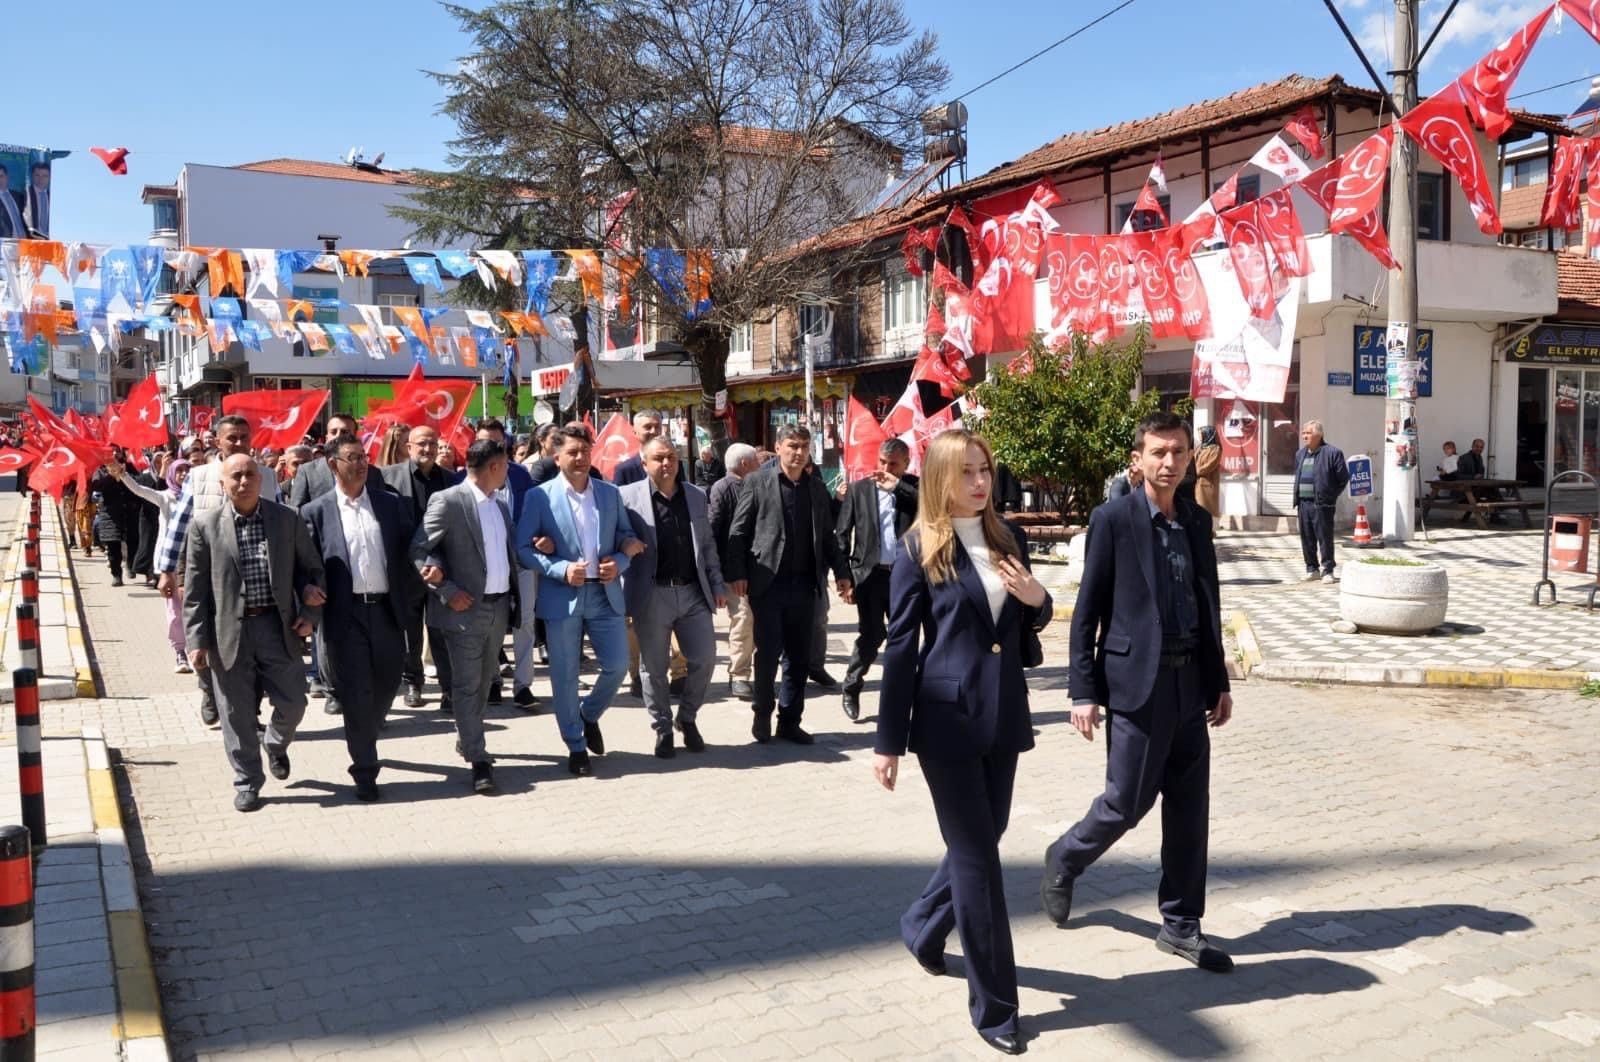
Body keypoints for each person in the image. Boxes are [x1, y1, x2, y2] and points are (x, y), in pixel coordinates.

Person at [872, 429, 1051, 1057]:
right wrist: (887, 740)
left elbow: (1026, 616)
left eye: (986, 470)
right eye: (968, 472)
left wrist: (1040, 600)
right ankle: (996, 1006)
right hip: (945, 724)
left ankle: (921, 926)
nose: (981, 482)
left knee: (985, 837)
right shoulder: (918, 548)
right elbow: (900, 649)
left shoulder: (1010, 538)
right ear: (942, 477)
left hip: (1003, 717)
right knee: (980, 863)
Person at [1042, 411, 1235, 974]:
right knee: (1125, 804)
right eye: (1158, 452)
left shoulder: (1196, 520)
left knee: (1189, 811)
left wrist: (1218, 680)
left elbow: (1209, 603)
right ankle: (1066, 856)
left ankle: (1180, 925)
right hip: (1136, 688)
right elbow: (1087, 614)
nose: (1169, 462)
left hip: (1189, 685)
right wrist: (1083, 691)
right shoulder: (1114, 520)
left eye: (1177, 452)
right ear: (1139, 459)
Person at [183, 454, 326, 813]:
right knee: (235, 714)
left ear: (261, 480)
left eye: (250, 475)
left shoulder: (286, 520)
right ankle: (247, 781)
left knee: (294, 703)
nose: (244, 481)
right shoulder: (205, 526)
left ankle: (275, 744)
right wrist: (196, 641)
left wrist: (310, 612)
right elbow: (195, 589)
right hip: (228, 633)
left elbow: (313, 572)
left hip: (278, 629)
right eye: (236, 476)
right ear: (223, 484)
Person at [517, 426, 643, 776]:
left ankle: (588, 715)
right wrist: (559, 568)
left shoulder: (608, 494)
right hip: (563, 596)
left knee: (617, 666)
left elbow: (627, 537)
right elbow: (523, 548)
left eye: (585, 451)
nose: (580, 457)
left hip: (604, 594)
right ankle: (575, 745)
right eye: (572, 451)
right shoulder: (539, 497)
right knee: (565, 675)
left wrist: (617, 563)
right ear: (556, 457)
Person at [724, 425, 853, 745]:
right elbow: (738, 532)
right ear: (778, 447)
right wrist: (737, 573)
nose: (798, 452)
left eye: (804, 447)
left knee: (799, 658)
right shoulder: (757, 482)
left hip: (805, 585)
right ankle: (762, 714)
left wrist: (842, 571)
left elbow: (827, 536)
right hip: (768, 584)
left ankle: (790, 721)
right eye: (792, 445)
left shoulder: (815, 488)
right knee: (767, 654)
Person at [301, 438, 413, 802]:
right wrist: (306, 589)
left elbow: (412, 551)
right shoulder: (316, 511)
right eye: (353, 458)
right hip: (344, 616)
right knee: (357, 694)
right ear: (334, 465)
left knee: (388, 682)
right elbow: (303, 563)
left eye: (364, 457)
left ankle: (367, 731)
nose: (362, 464)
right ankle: (365, 769)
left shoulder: (391, 505)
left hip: (386, 611)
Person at [409, 438, 521, 795]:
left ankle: (467, 737)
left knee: (486, 680)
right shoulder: (448, 501)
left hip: (499, 607)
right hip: (464, 610)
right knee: (466, 684)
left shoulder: (499, 505)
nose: (508, 470)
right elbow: (419, 548)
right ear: (492, 467)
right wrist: (446, 590)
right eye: (505, 464)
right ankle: (478, 757)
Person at [618, 437, 726, 757]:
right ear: (645, 463)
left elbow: (707, 546)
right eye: (659, 458)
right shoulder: (626, 498)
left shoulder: (695, 495)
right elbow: (616, 536)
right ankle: (663, 727)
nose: (667, 464)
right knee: (654, 667)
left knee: (705, 659)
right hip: (652, 593)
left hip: (693, 591)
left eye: (672, 458)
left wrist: (717, 584)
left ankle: (687, 717)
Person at [835, 438, 918, 721]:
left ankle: (900, 699)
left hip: (906, 577)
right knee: (871, 635)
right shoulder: (860, 490)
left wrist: (899, 487)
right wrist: (844, 576)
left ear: (906, 464)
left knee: (904, 638)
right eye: (882, 462)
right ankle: (851, 687)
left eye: (893, 464)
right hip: (869, 577)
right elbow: (842, 534)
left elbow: (933, 509)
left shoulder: (915, 488)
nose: (885, 468)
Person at [380, 425, 457, 712]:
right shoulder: (389, 479)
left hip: (443, 569)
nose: (427, 449)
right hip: (405, 567)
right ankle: (413, 681)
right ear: (408, 447)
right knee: (410, 630)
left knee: (441, 630)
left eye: (432, 443)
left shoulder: (451, 481)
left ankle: (449, 689)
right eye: (421, 444)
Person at [107, 457, 192, 670]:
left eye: (187, 470)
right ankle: (180, 651)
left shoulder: (197, 498)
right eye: (179, 470)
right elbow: (139, 490)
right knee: (174, 610)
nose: (183, 474)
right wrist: (122, 475)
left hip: (195, 560)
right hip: (171, 563)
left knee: (194, 608)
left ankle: (196, 649)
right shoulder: (165, 497)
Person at [476, 418, 538, 709]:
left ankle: (523, 686)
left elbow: (534, 512)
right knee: (491, 625)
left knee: (524, 621)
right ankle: (491, 681)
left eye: (496, 442)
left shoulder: (521, 475)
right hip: (484, 564)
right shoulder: (462, 480)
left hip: (521, 560)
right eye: (484, 442)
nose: (491, 448)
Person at [709, 442, 759, 698]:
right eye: (756, 462)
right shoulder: (723, 488)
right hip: (733, 571)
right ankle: (739, 675)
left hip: (758, 569)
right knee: (742, 620)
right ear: (745, 464)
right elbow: (714, 528)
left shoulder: (758, 485)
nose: (760, 466)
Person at [1292, 420, 1349, 583]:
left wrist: (1330, 496)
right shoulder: (1300, 454)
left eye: (1308, 433)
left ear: (1319, 434)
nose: (1304, 436)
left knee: (1324, 537)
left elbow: (1343, 479)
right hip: (1303, 503)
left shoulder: (1332, 453)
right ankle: (1312, 569)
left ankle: (1328, 570)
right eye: (1303, 433)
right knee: (1307, 537)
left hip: (1322, 504)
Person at [610, 410, 684, 487]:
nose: (653, 431)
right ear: (635, 432)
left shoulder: (674, 464)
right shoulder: (625, 470)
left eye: (657, 427)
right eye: (648, 427)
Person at [1194, 425, 1222, 521]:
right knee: (1198, 508)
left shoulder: (1215, 449)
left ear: (1208, 434)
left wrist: (1195, 472)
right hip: (1197, 483)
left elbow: (1210, 465)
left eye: (1201, 434)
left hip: (1207, 484)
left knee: (1207, 508)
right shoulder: (1199, 448)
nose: (1200, 437)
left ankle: (1210, 530)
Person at [24, 162, 49, 238]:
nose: (41, 179)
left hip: (48, 241)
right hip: (30, 240)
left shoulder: (51, 196)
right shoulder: (25, 194)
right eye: (37, 175)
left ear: (49, 178)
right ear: (32, 176)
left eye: (45, 176)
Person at [0, 168, 25, 240]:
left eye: (1, 176)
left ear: (7, 177)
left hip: (26, 242)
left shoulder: (19, 196)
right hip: (6, 243)